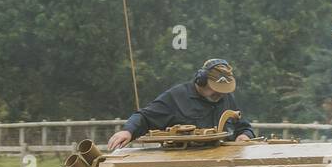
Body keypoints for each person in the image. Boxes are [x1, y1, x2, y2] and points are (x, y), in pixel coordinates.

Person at [106, 59, 255, 150]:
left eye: (223, 91)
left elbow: (244, 127)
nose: (220, 95)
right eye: (215, 90)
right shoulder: (176, 97)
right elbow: (144, 117)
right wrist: (128, 131)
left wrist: (244, 136)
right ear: (200, 81)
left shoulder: (227, 98)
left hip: (224, 164)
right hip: (185, 165)